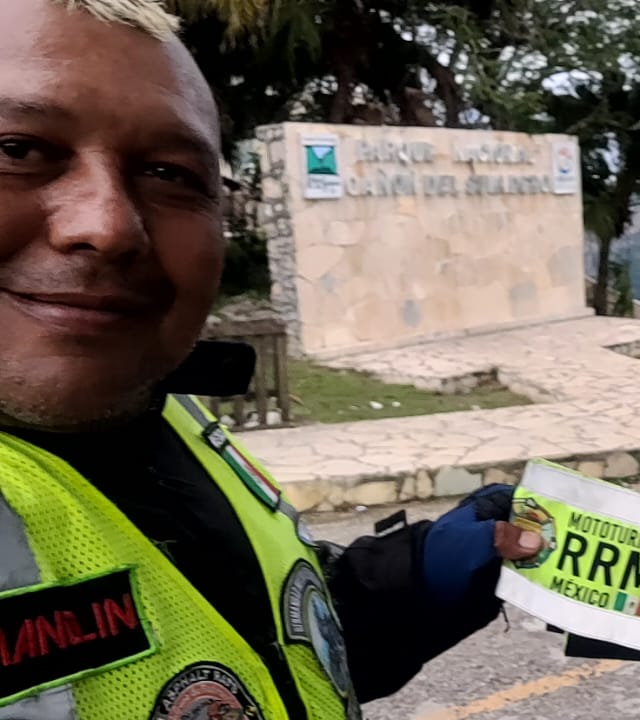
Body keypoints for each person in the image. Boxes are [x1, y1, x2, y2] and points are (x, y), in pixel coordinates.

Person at [0, 1, 543, 717]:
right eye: (19, 150)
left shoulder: (176, 420)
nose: (106, 225)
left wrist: (429, 572)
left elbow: (265, 645)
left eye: (169, 172)